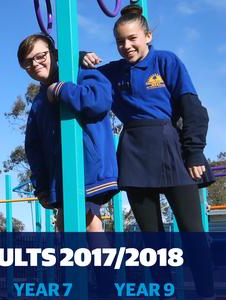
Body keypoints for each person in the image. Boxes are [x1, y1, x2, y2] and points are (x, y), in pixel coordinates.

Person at [81, 5, 213, 232]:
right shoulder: (112, 72)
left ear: (148, 36)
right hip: (134, 154)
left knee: (193, 231)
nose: (126, 46)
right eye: (120, 41)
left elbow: (193, 109)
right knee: (153, 237)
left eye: (132, 38)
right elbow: (80, 76)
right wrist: (80, 56)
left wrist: (195, 152)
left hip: (172, 148)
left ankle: (201, 269)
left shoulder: (166, 61)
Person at [18, 33, 118, 232]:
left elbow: (100, 100)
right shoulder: (38, 102)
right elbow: (33, 147)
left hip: (88, 169)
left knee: (88, 226)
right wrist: (42, 186)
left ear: (55, 54)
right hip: (61, 177)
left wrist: (63, 90)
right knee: (68, 229)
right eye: (28, 62)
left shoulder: (78, 73)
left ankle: (102, 264)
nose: (35, 64)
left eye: (41, 56)